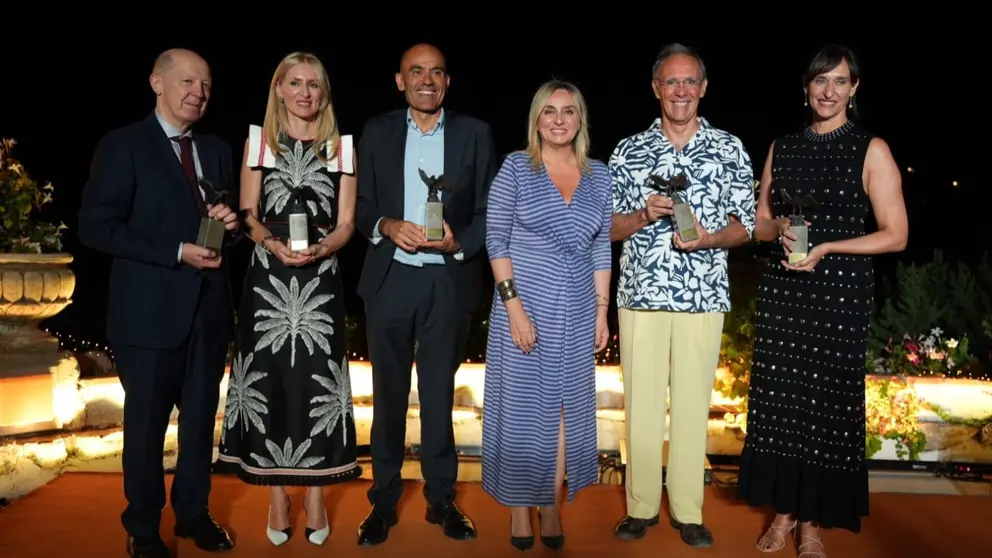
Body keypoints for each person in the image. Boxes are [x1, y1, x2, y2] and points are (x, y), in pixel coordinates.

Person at [736, 44, 908, 558]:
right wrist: (778, 228)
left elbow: (895, 234)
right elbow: (759, 223)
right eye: (819, 81)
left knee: (824, 410)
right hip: (785, 294)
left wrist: (830, 245)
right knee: (782, 404)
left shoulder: (869, 148)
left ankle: (811, 524)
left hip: (838, 298)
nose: (828, 91)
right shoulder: (782, 147)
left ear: (854, 89)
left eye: (839, 81)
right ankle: (782, 515)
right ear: (806, 88)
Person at [78, 48, 240, 558]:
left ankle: (194, 514)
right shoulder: (122, 145)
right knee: (145, 429)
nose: (198, 93)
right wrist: (175, 252)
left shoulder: (215, 149)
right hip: (147, 316)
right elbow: (96, 227)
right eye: (188, 82)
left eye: (207, 85)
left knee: (199, 423)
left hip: (209, 311)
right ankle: (143, 527)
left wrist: (231, 226)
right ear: (157, 83)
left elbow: (223, 226)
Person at [608, 43, 756, 548]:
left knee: (694, 406)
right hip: (641, 293)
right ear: (656, 89)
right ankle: (641, 507)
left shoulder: (730, 148)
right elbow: (606, 227)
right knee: (642, 406)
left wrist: (710, 238)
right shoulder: (628, 151)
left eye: (690, 81)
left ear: (704, 88)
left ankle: (689, 510)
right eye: (671, 82)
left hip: (703, 295)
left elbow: (747, 225)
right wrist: (642, 216)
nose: (681, 91)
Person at [353, 42, 498, 546]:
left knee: (439, 396)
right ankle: (383, 503)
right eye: (417, 72)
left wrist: (462, 240)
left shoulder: (475, 134)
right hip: (390, 278)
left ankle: (442, 500)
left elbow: (487, 211)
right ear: (400, 80)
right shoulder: (376, 132)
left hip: (447, 279)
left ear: (447, 82)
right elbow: (361, 205)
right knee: (388, 398)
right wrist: (387, 224)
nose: (427, 80)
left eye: (437, 72)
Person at [215, 51, 361, 547]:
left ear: (324, 93)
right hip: (267, 275)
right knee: (274, 380)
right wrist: (270, 243)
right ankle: (278, 494)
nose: (305, 92)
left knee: (317, 383)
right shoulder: (260, 141)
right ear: (279, 88)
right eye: (295, 83)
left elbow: (346, 223)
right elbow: (248, 212)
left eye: (314, 84)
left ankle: (317, 494)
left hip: (321, 278)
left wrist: (322, 248)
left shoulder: (342, 146)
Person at [481, 80, 612, 552]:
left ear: (581, 121)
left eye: (569, 111)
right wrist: (514, 307)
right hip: (524, 305)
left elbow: (601, 247)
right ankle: (520, 508)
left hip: (577, 309)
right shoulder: (517, 168)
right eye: (549, 111)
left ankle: (551, 504)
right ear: (537, 119)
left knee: (564, 414)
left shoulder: (600, 175)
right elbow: (496, 241)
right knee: (520, 413)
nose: (559, 119)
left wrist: (601, 311)